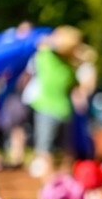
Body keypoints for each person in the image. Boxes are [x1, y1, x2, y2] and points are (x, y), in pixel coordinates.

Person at [28, 26, 83, 178]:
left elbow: (41, 42)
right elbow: (76, 87)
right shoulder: (69, 67)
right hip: (64, 111)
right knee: (66, 151)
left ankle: (50, 184)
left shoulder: (46, 57)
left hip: (47, 109)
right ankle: (64, 181)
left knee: (45, 150)